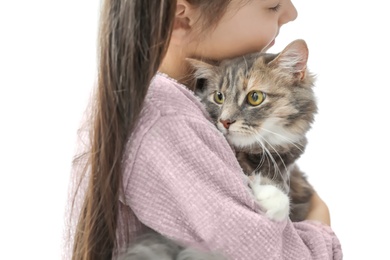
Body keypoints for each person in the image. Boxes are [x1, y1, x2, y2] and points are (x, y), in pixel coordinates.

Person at [63, 0, 343, 259]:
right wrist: (321, 223)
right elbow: (265, 252)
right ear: (182, 15)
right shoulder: (164, 115)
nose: (291, 12)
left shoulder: (158, 98)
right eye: (271, 6)